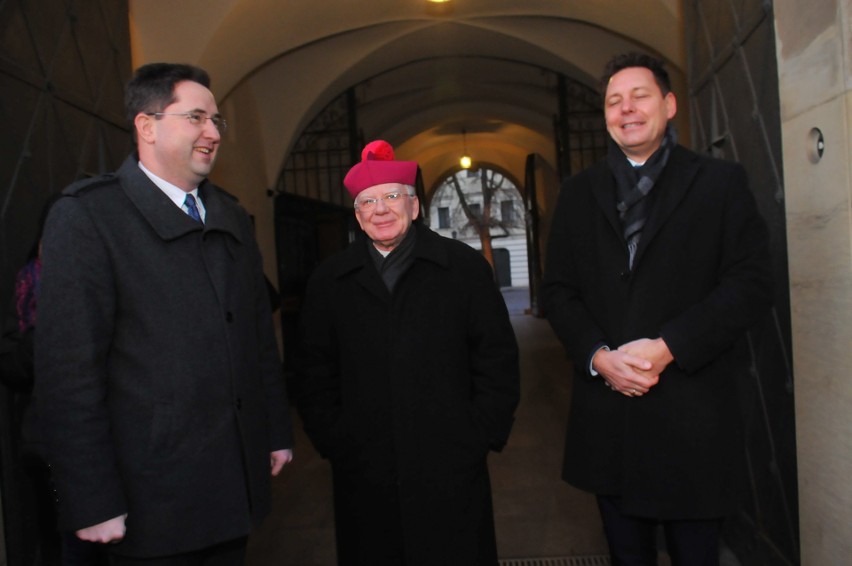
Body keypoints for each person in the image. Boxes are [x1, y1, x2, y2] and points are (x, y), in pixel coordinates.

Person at [34, 63, 294, 565]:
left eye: (217, 120)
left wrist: (275, 432)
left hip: (230, 487)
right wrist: (89, 499)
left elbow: (257, 337)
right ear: (146, 126)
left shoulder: (232, 215)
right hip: (148, 502)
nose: (213, 133)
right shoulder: (87, 216)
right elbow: (68, 374)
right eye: (196, 117)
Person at [541, 52, 773, 565]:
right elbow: (557, 290)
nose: (626, 109)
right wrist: (598, 355)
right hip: (610, 417)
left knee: (696, 554)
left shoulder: (719, 183)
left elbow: (752, 283)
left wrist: (670, 347)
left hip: (693, 414)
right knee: (627, 556)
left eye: (639, 96)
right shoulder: (579, 194)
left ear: (668, 105)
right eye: (613, 101)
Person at [295, 140, 520, 566]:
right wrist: (336, 441)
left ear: (415, 207)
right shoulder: (330, 282)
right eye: (368, 201)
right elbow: (312, 371)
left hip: (451, 466)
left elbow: (497, 360)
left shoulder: (464, 270)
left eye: (392, 197)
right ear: (358, 215)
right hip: (364, 472)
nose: (380, 209)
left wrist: (478, 436)